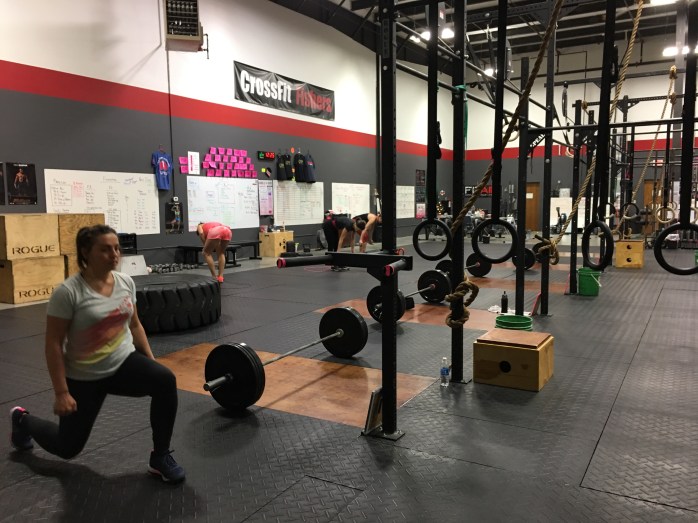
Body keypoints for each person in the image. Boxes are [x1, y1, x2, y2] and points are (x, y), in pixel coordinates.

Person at [9, 224, 185, 483]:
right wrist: (61, 393)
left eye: (116, 248)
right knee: (67, 448)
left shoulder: (125, 282)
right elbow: (53, 344)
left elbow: (135, 325)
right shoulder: (68, 292)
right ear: (86, 252)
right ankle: (22, 420)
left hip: (123, 363)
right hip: (85, 376)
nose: (114, 255)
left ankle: (160, 457)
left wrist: (150, 361)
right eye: (105, 249)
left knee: (165, 380)